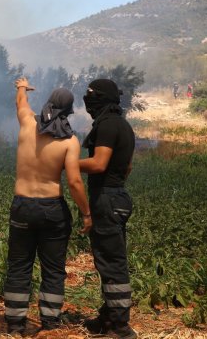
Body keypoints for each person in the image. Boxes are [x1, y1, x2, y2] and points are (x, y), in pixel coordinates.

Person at [3, 77, 91, 335]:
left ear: (48, 104)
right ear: (69, 111)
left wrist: (22, 86)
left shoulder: (27, 123)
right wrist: (86, 214)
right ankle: (50, 326)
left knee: (19, 267)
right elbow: (74, 181)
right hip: (52, 209)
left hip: (22, 205)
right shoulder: (69, 142)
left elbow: (20, 103)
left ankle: (15, 326)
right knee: (53, 269)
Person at [78, 79, 137, 339]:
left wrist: (67, 163)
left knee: (111, 263)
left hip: (107, 199)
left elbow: (99, 164)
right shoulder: (122, 125)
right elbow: (127, 168)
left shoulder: (107, 125)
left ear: (101, 99)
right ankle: (107, 318)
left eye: (91, 96)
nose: (87, 101)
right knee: (108, 259)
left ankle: (121, 327)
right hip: (118, 197)